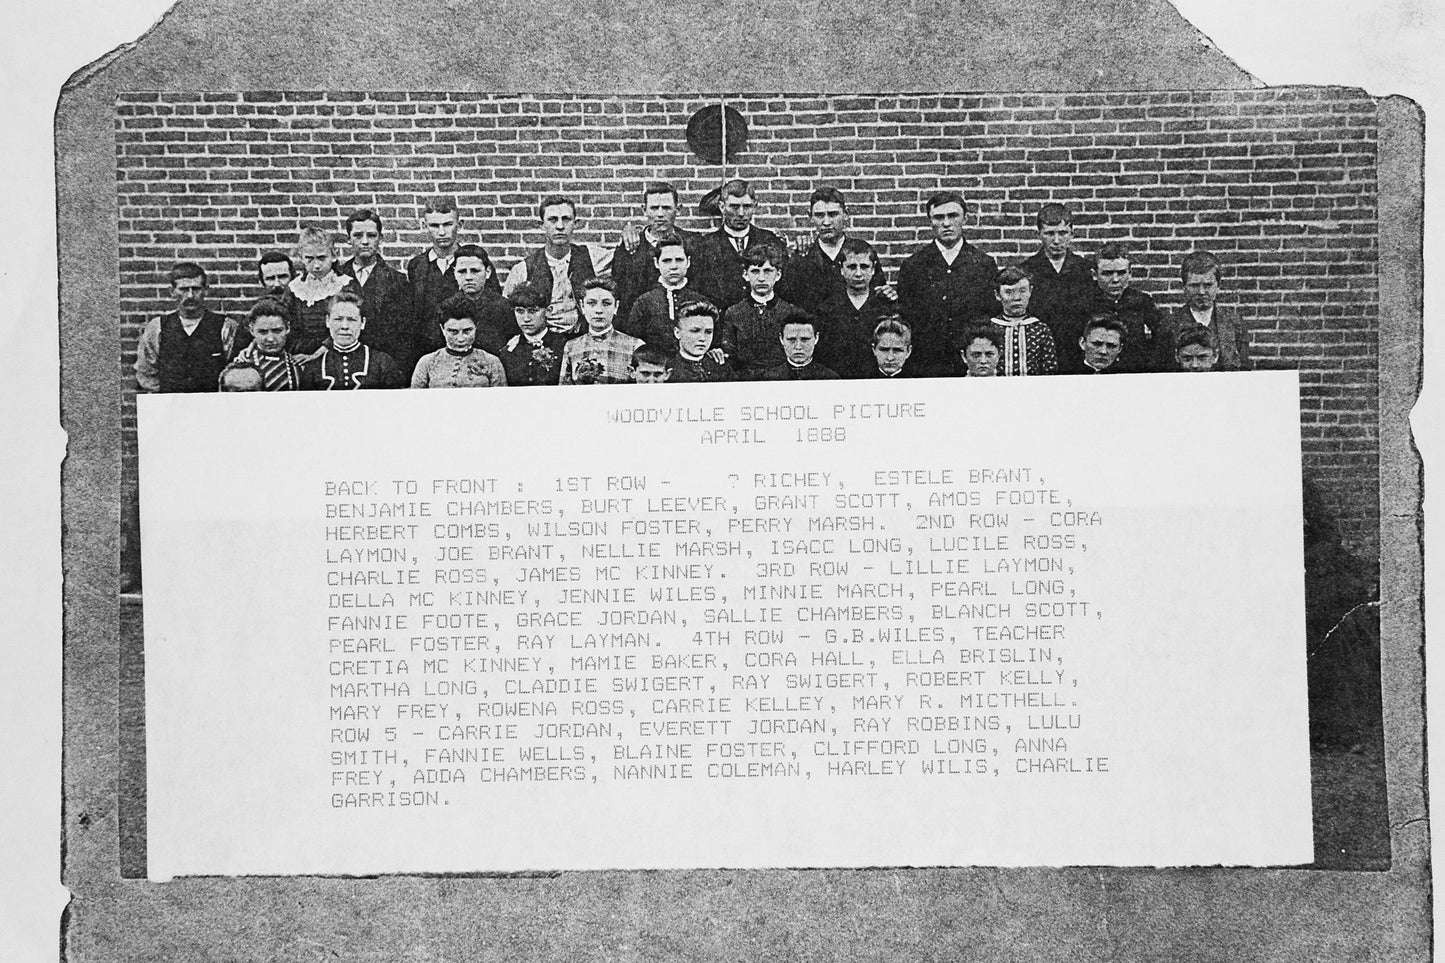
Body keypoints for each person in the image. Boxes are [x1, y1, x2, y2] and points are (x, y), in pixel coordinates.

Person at [896, 190, 998, 376]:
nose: (946, 223)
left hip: (970, 365)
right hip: (925, 364)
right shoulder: (913, 265)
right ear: (930, 221)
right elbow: (906, 317)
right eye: (938, 217)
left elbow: (990, 314)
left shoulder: (984, 264)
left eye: (953, 216)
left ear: (965, 219)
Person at [503, 195, 614, 335]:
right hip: (544, 344)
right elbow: (509, 313)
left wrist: (630, 232)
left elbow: (628, 258)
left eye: (566, 219)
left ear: (576, 223)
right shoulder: (523, 269)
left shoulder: (592, 256)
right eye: (553, 220)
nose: (560, 226)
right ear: (541, 225)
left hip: (584, 339)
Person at [133, 262, 239, 393]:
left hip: (214, 405)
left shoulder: (226, 326)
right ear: (172, 292)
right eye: (183, 289)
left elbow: (235, 372)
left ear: (206, 290)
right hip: (171, 405)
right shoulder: (157, 327)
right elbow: (146, 372)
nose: (190, 295)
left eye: (196, 289)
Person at [781, 187, 891, 313]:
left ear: (846, 214)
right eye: (819, 215)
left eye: (833, 214)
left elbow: (877, 293)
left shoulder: (862, 252)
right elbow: (788, 298)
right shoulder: (802, 255)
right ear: (810, 216)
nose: (826, 222)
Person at [339, 208, 418, 376]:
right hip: (343, 365)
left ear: (380, 239)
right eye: (358, 235)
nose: (365, 241)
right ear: (348, 239)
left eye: (372, 235)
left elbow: (405, 336)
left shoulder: (398, 281)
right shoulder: (336, 277)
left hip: (382, 368)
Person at [690, 179, 787, 311]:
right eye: (734, 207)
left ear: (755, 206)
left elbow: (783, 287)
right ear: (722, 207)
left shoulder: (771, 241)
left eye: (747, 206)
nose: (741, 213)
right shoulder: (704, 246)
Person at [1018, 203, 1095, 370]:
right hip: (1037, 352)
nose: (1056, 240)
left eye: (1062, 233)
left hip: (1077, 353)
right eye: (1049, 234)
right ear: (1039, 234)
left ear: (1072, 234)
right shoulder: (1026, 270)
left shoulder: (1085, 269)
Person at [612, 182, 700, 321]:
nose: (660, 214)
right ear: (644, 210)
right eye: (654, 208)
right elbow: (620, 291)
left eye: (666, 208)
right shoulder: (629, 246)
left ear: (678, 209)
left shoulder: (693, 243)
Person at [718, 244, 810, 377]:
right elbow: (729, 353)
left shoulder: (791, 312)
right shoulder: (733, 312)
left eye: (767, 271)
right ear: (745, 275)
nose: (761, 278)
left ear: (778, 275)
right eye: (755, 271)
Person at [814, 238, 893, 379]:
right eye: (851, 267)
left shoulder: (885, 307)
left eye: (864, 266)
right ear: (842, 269)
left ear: (873, 269)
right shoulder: (827, 309)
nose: (858, 273)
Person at [621, 230, 714, 348]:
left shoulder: (701, 301)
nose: (673, 266)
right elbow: (633, 343)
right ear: (656, 263)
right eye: (667, 261)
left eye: (679, 260)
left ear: (688, 262)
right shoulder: (644, 302)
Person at [1086, 242, 1167, 372]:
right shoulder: (1083, 303)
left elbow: (1163, 334)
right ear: (1094, 275)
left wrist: (1149, 362)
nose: (1115, 279)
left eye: (1121, 273)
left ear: (1130, 273)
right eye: (1107, 273)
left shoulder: (1142, 301)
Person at [1167, 250, 1252, 371]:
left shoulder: (1234, 322)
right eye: (1194, 285)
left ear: (1218, 285)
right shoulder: (1170, 324)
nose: (1201, 292)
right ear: (1184, 287)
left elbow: (1243, 369)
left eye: (1208, 285)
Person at [300, 291, 404, 389]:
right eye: (338, 319)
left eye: (352, 320)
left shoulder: (382, 362)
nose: (344, 326)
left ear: (362, 323)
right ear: (327, 321)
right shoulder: (314, 366)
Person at [287, 226, 357, 358]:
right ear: (301, 257)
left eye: (321, 258)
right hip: (299, 353)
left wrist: (316, 355)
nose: (316, 265)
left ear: (333, 255)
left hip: (335, 351)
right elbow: (283, 321)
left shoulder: (345, 285)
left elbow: (347, 326)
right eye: (309, 258)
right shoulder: (295, 288)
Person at [433, 244, 515, 354]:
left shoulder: (504, 307)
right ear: (454, 273)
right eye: (462, 271)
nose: (468, 277)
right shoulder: (446, 307)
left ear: (488, 272)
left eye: (475, 271)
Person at [559, 278, 642, 385]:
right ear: (582, 307)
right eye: (591, 303)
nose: (599, 310)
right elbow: (563, 391)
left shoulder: (634, 346)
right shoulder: (571, 347)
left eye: (606, 303)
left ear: (616, 307)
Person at [411, 302, 509, 388]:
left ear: (476, 327)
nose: (460, 338)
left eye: (467, 331)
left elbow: (500, 400)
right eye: (453, 332)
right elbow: (416, 400)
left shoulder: (492, 361)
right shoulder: (427, 362)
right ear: (442, 329)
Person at [986, 267, 1058, 375]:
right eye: (1009, 292)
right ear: (997, 295)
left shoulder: (1040, 329)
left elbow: (1050, 370)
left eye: (1022, 291)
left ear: (1030, 291)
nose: (1017, 297)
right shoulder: (990, 329)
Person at [498, 284, 569, 387]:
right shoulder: (508, 351)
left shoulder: (563, 345)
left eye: (533, 311)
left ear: (548, 311)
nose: (526, 318)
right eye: (520, 311)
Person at [230, 298, 303, 390]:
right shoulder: (243, 364)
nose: (270, 339)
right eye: (263, 332)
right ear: (252, 330)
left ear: (287, 328)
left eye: (277, 331)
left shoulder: (297, 365)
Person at [667, 302, 735, 383]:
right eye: (695, 331)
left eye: (708, 332)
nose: (702, 338)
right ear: (677, 333)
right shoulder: (667, 370)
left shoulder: (722, 368)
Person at [761, 317, 838, 380]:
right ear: (781, 339)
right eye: (791, 339)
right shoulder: (769, 378)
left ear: (816, 338)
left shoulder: (830, 377)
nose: (798, 347)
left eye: (805, 339)